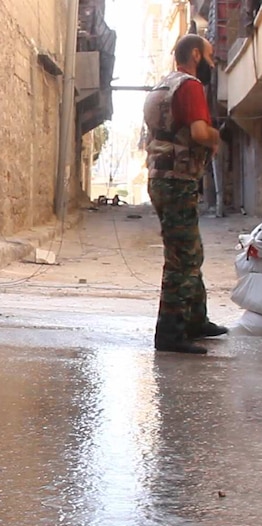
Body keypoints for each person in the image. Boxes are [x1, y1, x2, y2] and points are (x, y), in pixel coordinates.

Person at [143, 33, 228, 354]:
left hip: (161, 177)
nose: (211, 63)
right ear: (195, 54)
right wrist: (215, 137)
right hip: (178, 180)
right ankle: (170, 332)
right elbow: (198, 132)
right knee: (182, 257)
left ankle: (196, 320)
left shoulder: (162, 86)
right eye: (209, 56)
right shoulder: (190, 86)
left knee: (190, 250)